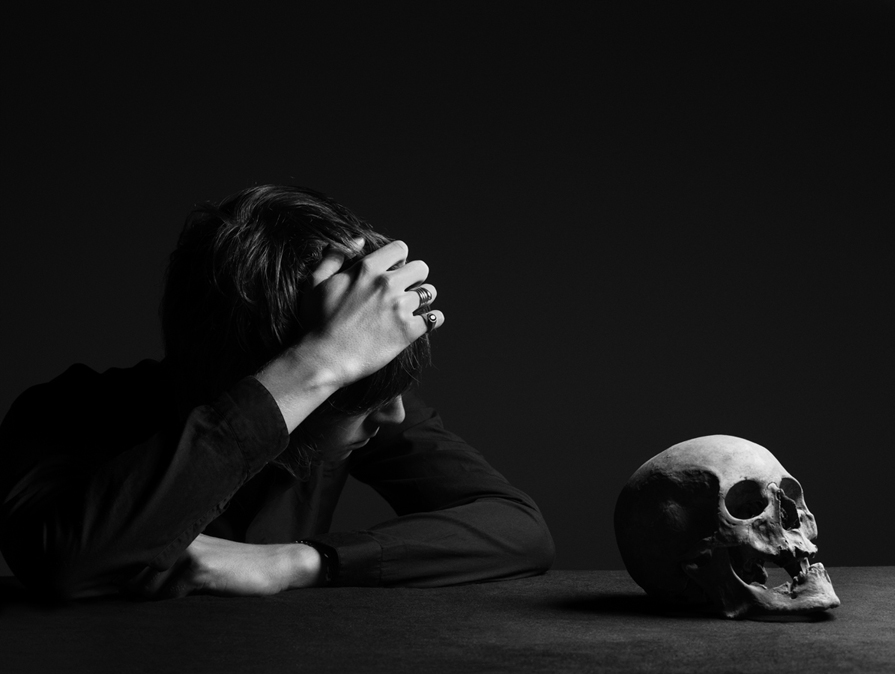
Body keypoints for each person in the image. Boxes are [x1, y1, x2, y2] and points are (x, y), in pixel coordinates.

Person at [0, 185, 554, 600]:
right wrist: (321, 362)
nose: (394, 414)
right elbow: (63, 564)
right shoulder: (61, 414)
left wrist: (299, 562)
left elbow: (518, 529)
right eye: (345, 381)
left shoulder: (370, 411)